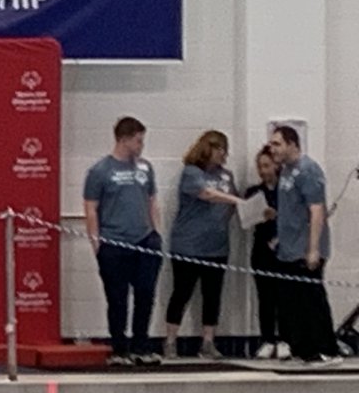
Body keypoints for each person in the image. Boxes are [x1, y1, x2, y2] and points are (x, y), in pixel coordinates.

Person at [83, 117, 163, 366]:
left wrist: (156, 234)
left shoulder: (145, 169)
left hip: (145, 241)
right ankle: (119, 349)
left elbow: (152, 201)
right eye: (138, 140)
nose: (141, 146)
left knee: (145, 295)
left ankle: (142, 346)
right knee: (117, 299)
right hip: (115, 243)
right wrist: (97, 244)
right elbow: (91, 208)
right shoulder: (100, 171)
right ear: (124, 139)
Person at [163, 130, 244, 361]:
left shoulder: (226, 176)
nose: (222, 154)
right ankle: (170, 341)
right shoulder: (191, 173)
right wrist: (235, 200)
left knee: (212, 295)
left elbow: (233, 203)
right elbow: (206, 194)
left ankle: (208, 341)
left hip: (216, 246)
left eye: (224, 150)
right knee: (182, 292)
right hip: (188, 245)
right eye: (217, 149)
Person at [267, 125, 340, 364]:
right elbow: (291, 210)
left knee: (311, 300)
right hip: (287, 249)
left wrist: (313, 248)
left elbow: (316, 210)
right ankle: (302, 349)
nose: (272, 148)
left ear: (292, 144)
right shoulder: (286, 171)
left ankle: (326, 349)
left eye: (277, 144)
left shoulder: (308, 170)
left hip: (304, 249)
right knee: (291, 303)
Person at [247, 145, 284, 358]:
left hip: (283, 249)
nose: (263, 171)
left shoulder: (286, 191)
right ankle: (267, 338)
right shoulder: (254, 192)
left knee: (284, 297)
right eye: (260, 166)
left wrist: (277, 215)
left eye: (267, 166)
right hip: (262, 250)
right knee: (265, 297)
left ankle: (285, 338)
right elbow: (248, 218)